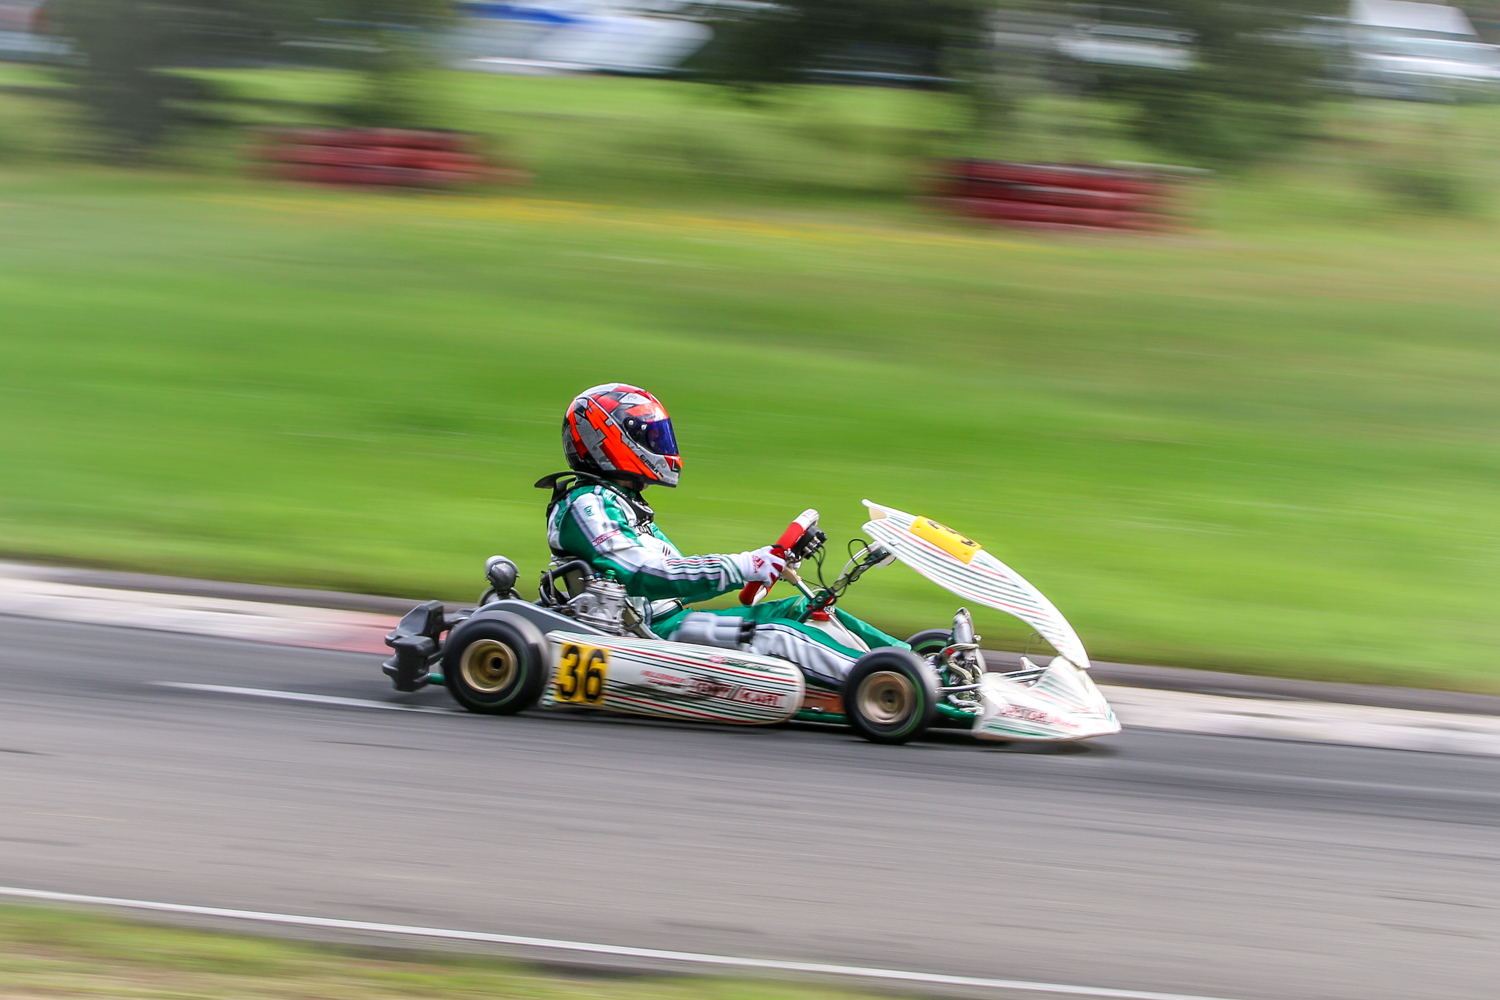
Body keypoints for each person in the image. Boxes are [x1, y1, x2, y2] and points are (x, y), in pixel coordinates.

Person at [536, 383, 906, 686]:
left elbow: (680, 577)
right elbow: (646, 575)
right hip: (645, 637)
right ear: (609, 441)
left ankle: (918, 662)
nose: (661, 445)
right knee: (777, 634)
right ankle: (887, 683)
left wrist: (765, 564)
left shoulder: (626, 503)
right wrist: (748, 565)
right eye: (649, 436)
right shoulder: (587, 505)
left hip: (671, 621)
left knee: (806, 608)